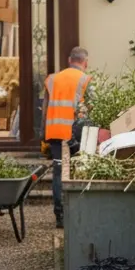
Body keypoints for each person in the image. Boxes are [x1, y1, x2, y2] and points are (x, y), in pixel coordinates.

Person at [43, 47, 93, 228]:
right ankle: (78, 213)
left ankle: (60, 216)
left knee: (58, 173)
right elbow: (92, 109)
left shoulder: (52, 79)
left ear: (69, 60)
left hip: (55, 133)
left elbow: (45, 108)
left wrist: (44, 135)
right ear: (85, 62)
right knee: (78, 171)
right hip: (76, 135)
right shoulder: (85, 80)